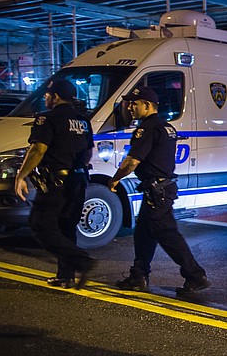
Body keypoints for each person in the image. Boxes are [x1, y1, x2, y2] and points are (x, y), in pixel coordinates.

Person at [108, 87, 210, 295]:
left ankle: (195, 275)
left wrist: (115, 179)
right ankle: (138, 276)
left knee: (167, 234)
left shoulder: (147, 128)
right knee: (144, 233)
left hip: (157, 191)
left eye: (134, 104)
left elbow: (132, 161)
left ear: (147, 105)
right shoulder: (165, 127)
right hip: (159, 189)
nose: (130, 107)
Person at [14, 79, 95, 288]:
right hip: (78, 180)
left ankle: (82, 261)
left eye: (47, 95)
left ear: (56, 96)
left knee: (41, 226)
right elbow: (87, 152)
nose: (45, 98)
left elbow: (38, 149)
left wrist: (21, 176)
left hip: (56, 182)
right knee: (66, 227)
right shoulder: (83, 120)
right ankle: (66, 275)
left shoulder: (47, 118)